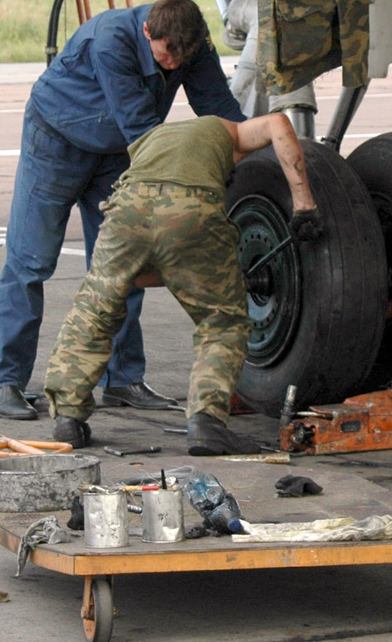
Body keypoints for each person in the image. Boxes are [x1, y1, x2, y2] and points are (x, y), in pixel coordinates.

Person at [0, 0, 245, 420]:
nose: (172, 66)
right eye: (165, 57)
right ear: (148, 33)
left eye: (182, 59)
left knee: (123, 262)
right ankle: (6, 381)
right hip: (56, 143)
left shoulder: (189, 46)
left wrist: (255, 151)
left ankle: (122, 379)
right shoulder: (112, 41)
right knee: (30, 262)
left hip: (116, 153)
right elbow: (141, 129)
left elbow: (219, 109)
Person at [41, 112, 323, 455]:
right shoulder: (229, 131)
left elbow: (146, 266)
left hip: (126, 208)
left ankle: (67, 419)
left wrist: (189, 275)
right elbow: (279, 122)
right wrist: (304, 204)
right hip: (191, 206)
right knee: (223, 320)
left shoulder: (154, 140)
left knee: (94, 310)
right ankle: (207, 425)